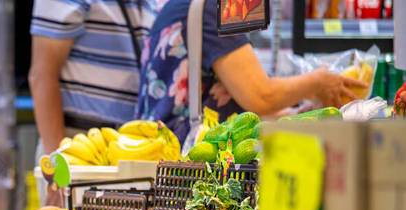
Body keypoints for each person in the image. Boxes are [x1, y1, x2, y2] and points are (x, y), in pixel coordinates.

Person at [136, 0, 368, 144]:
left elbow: (233, 109)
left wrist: (302, 114)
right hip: (188, 163)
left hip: (159, 151)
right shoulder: (213, 8)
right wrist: (317, 81)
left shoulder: (180, 5)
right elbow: (260, 95)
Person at [29, 0, 158, 155]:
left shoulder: (149, 4)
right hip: (78, 146)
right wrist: (57, 161)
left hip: (129, 148)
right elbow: (42, 75)